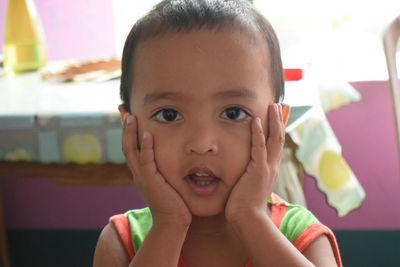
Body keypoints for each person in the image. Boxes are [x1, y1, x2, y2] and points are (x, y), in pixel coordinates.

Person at [93, 0, 342, 266]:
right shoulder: (121, 243)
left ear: (275, 128)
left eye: (233, 113)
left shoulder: (302, 239)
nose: (202, 144)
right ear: (129, 127)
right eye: (169, 115)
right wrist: (169, 224)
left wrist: (250, 217)